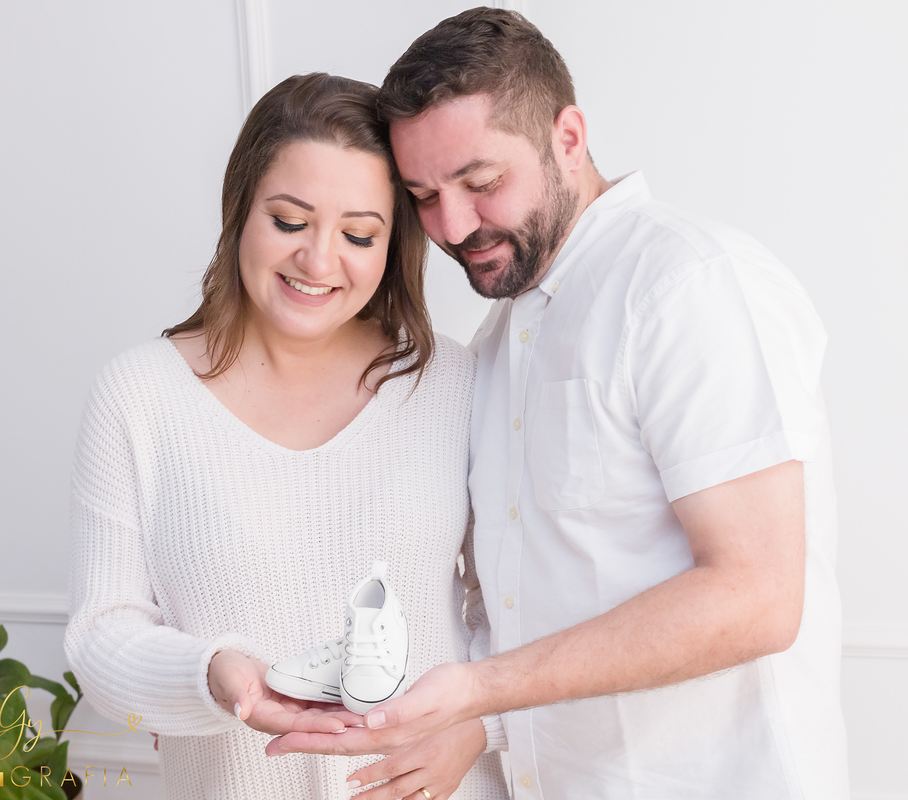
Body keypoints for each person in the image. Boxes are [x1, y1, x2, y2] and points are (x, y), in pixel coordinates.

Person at [268, 9, 850, 799]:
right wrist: (479, 724)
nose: (453, 226)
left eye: (480, 183)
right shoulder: (501, 339)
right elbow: (544, 595)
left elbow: (757, 597)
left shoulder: (691, 286)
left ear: (567, 137)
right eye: (424, 196)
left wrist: (480, 693)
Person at [64, 72, 508, 800]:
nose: (319, 260)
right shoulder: (139, 396)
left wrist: (481, 730)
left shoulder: (451, 382)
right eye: (290, 221)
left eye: (359, 234)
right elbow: (100, 633)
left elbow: (518, 609)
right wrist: (213, 674)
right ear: (241, 210)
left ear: (392, 244)